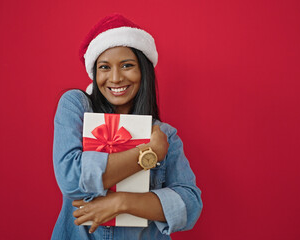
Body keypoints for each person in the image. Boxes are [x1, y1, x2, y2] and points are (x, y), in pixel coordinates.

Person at [52, 13, 202, 240]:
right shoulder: (77, 106)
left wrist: (123, 202)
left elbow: (190, 206)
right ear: (95, 73)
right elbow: (72, 182)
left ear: (143, 71)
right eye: (104, 67)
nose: (115, 77)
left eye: (127, 65)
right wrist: (149, 153)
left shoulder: (164, 134)